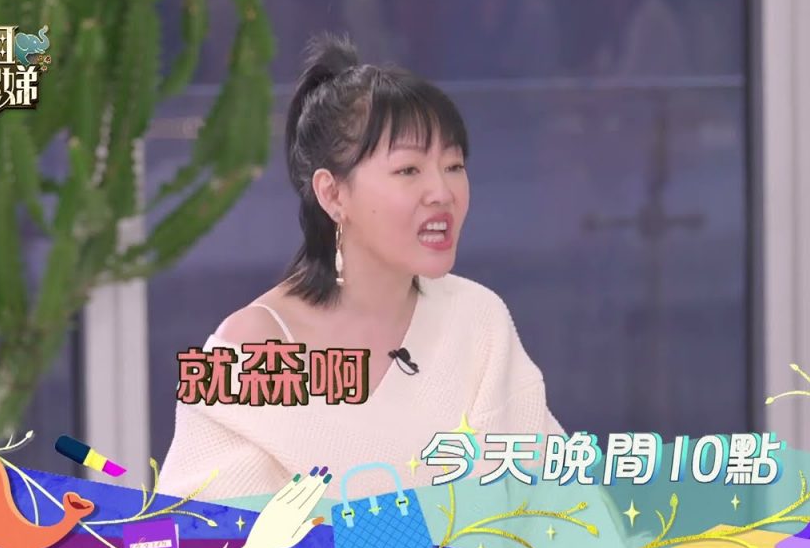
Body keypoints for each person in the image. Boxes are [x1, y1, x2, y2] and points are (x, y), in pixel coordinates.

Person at [158, 33, 565, 502]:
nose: (442, 192)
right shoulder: (250, 350)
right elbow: (209, 531)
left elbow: (550, 507)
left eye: (453, 166)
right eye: (409, 170)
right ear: (333, 194)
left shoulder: (478, 319)